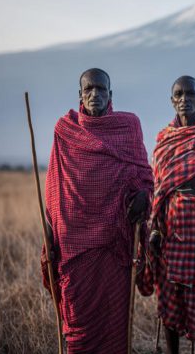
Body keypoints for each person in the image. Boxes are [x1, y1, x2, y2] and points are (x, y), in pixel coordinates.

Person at [42, 68, 152, 353]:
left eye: (101, 89)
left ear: (110, 94)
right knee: (78, 322)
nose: (95, 94)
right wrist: (51, 232)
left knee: (115, 321)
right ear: (80, 95)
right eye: (88, 89)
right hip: (74, 244)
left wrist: (143, 196)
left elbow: (143, 174)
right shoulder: (65, 130)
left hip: (114, 242)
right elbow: (54, 186)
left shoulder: (128, 126)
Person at [145, 76, 195, 354]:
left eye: (191, 94)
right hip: (170, 226)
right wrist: (155, 228)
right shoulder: (164, 139)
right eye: (178, 94)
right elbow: (158, 189)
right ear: (171, 100)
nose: (184, 99)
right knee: (169, 295)